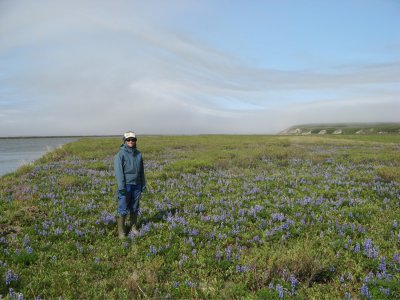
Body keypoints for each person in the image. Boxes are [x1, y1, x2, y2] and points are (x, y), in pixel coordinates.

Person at [114, 131, 146, 238]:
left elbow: (142, 171)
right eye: (128, 140)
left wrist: (143, 184)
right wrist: (121, 187)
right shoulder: (120, 154)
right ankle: (122, 232)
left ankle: (133, 228)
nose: (131, 141)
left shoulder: (138, 154)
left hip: (136, 184)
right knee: (123, 207)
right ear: (124, 141)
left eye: (133, 139)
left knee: (135, 207)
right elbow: (119, 172)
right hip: (126, 185)